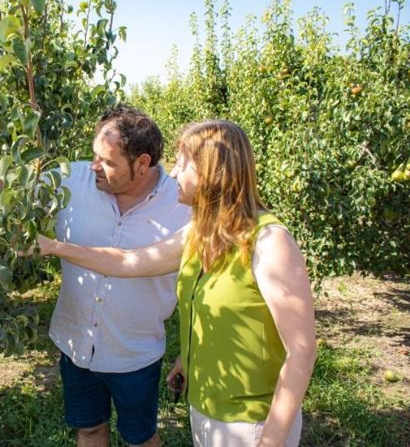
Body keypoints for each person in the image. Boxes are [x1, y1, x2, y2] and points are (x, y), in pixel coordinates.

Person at [36, 119, 317, 447]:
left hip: (251, 421)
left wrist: (270, 441)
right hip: (207, 411)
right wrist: (55, 247)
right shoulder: (203, 233)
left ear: (212, 172)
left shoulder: (269, 241)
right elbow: (129, 262)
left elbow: (302, 350)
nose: (172, 173)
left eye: (183, 164)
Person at [0, 104, 191, 446]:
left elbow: (202, 288)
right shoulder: (75, 179)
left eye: (107, 161)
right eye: (94, 155)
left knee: (140, 438)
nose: (94, 167)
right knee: (89, 430)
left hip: (134, 351)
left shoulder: (181, 205)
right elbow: (11, 187)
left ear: (143, 163)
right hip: (76, 345)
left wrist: (188, 353)